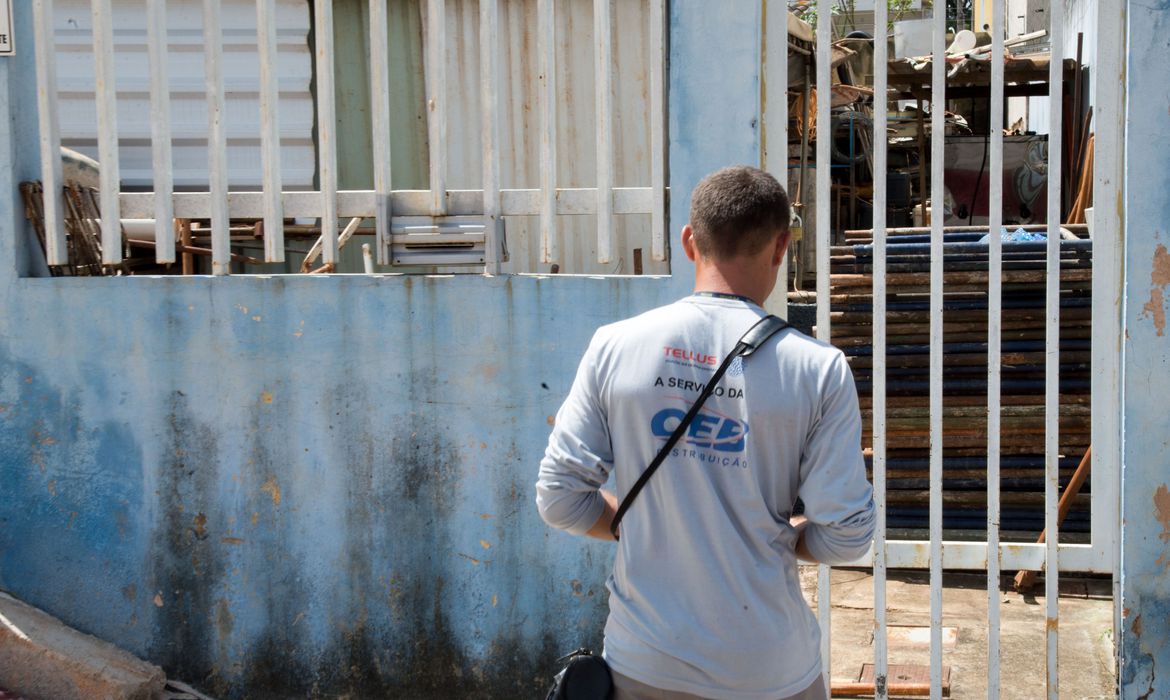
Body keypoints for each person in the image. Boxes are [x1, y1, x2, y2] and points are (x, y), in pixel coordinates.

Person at [536, 165, 876, 700]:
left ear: (690, 241)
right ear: (782, 247)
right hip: (771, 670)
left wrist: (639, 522)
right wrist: (781, 533)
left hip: (646, 662)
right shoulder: (818, 369)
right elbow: (850, 538)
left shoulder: (615, 345)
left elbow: (559, 499)